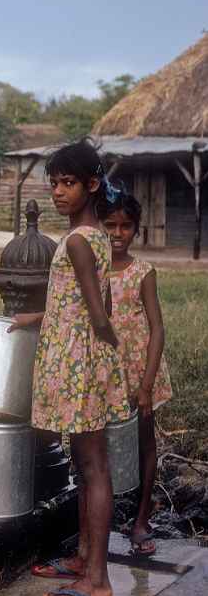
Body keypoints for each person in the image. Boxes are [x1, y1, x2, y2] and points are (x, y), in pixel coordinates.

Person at [9, 138, 130, 596]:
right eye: (54, 183)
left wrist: (112, 360)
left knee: (94, 467)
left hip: (80, 365)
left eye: (68, 183)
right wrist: (35, 318)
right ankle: (82, 557)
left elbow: (100, 316)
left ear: (92, 185)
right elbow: (81, 305)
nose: (58, 192)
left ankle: (97, 580)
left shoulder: (79, 241)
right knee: (84, 464)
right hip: (79, 357)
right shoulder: (94, 237)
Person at [101, 192, 172, 555]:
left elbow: (157, 329)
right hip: (102, 370)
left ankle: (141, 518)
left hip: (138, 370)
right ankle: (98, 517)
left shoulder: (143, 272)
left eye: (125, 226)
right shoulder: (91, 269)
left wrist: (146, 384)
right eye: (110, 225)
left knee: (145, 441)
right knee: (98, 444)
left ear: (136, 230)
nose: (117, 232)